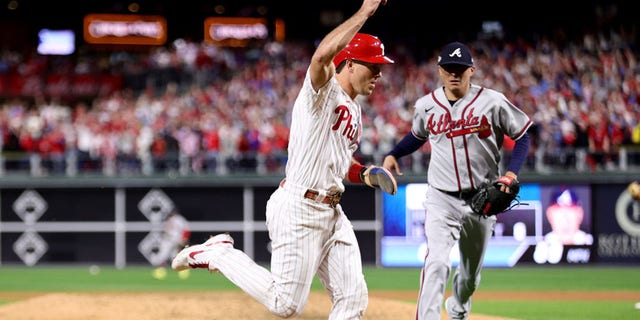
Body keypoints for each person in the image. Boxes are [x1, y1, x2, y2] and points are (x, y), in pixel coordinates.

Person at [171, 0, 397, 318]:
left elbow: (341, 163)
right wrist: (364, 13)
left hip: (332, 212)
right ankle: (219, 254)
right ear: (349, 64)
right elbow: (321, 56)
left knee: (353, 298)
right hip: (299, 207)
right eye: (372, 66)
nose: (379, 73)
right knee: (285, 304)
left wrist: (365, 173)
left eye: (380, 67)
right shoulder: (323, 91)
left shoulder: (356, 111)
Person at [382, 41, 532, 320]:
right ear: (439, 70)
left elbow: (522, 135)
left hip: (482, 200)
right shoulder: (427, 106)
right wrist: (394, 154)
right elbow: (417, 136)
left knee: (470, 277)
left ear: (472, 70)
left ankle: (458, 309)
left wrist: (512, 173)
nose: (454, 74)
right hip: (441, 198)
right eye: (449, 69)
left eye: (460, 69)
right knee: (437, 262)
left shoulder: (493, 101)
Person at [533, 187, 592, 264]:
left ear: (580, 213)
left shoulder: (589, 241)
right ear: (549, 214)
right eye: (559, 211)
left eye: (570, 210)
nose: (565, 219)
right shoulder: (541, 245)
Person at [152, 209, 191, 280]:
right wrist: (184, 238)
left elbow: (186, 229)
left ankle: (160, 272)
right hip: (174, 239)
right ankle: (182, 271)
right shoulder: (179, 219)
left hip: (170, 240)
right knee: (174, 256)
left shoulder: (176, 219)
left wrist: (184, 238)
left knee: (163, 255)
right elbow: (186, 229)